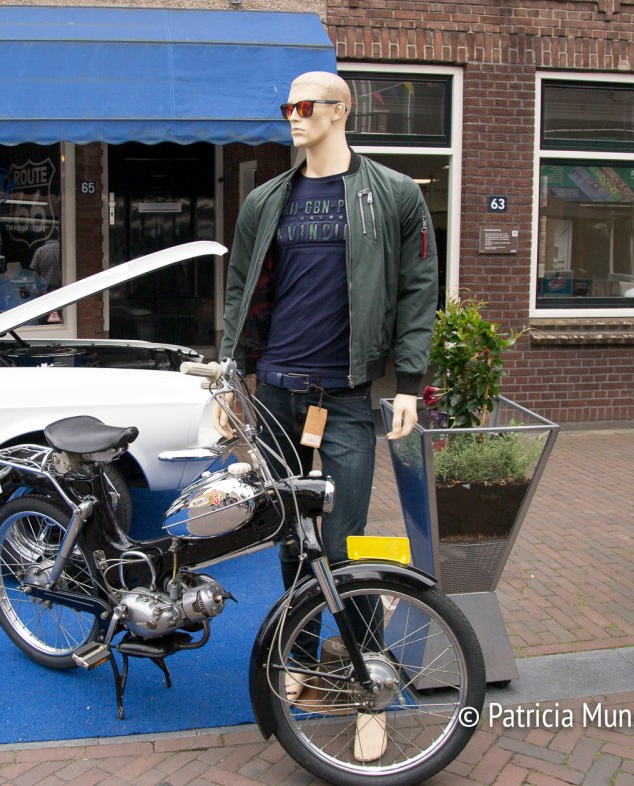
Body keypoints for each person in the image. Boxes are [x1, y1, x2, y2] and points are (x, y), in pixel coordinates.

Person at [218, 70, 437, 762]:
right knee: (290, 537)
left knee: (345, 545)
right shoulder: (266, 200)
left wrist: (409, 384)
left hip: (344, 396)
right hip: (278, 392)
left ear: (340, 112)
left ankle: (372, 684)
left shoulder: (393, 195)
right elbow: (240, 291)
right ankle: (303, 660)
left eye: (304, 105)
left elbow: (417, 290)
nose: (292, 115)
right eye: (286, 105)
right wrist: (231, 377)